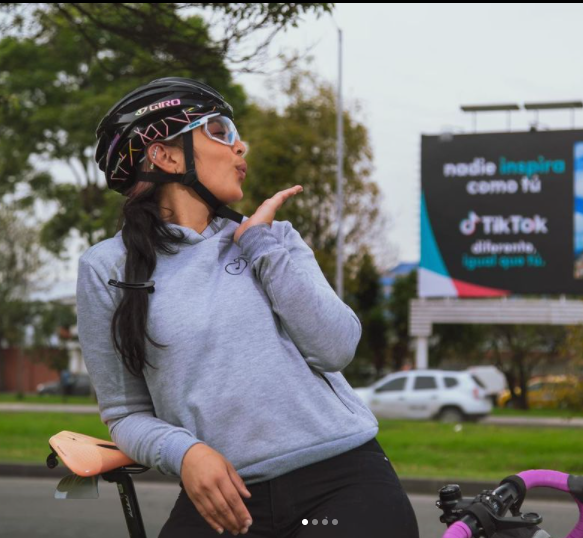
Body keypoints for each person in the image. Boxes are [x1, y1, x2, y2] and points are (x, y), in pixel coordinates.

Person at [76, 77, 419, 538]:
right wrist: (186, 453)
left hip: (342, 481)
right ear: (165, 154)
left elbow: (337, 348)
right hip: (226, 497)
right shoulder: (105, 268)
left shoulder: (273, 240)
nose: (242, 146)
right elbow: (124, 413)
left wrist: (259, 244)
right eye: (219, 130)